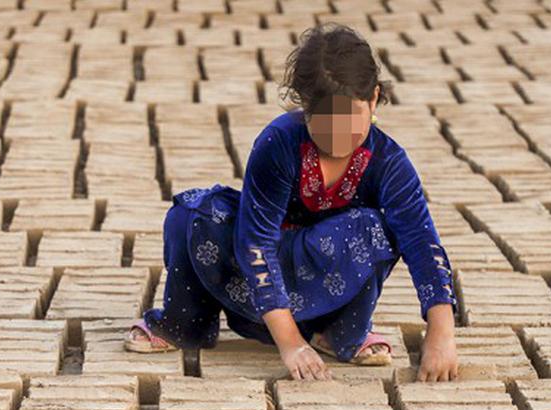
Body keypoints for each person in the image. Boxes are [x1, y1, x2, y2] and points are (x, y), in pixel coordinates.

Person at [125, 23, 458, 382]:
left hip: (328, 287)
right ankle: (184, 324)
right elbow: (256, 242)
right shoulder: (279, 143)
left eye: (351, 120)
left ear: (374, 99)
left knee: (378, 229)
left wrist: (441, 334)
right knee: (190, 213)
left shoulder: (389, 162)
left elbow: (422, 243)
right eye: (325, 123)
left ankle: (339, 334)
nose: (340, 136)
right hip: (252, 283)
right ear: (304, 109)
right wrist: (290, 343)